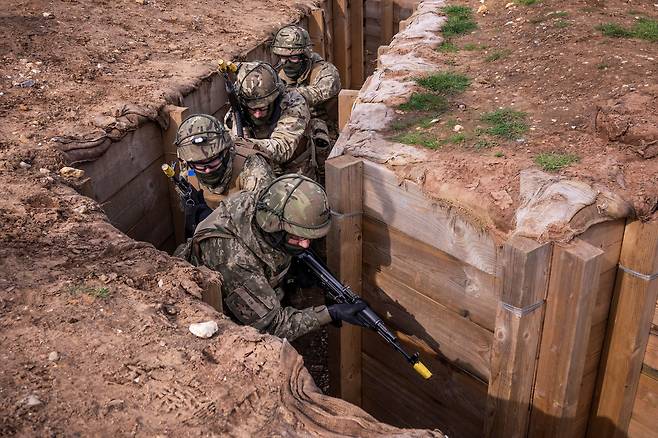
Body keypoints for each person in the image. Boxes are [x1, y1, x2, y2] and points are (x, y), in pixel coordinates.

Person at [178, 174, 367, 341]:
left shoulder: (267, 202)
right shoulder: (234, 260)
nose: (305, 245)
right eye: (297, 237)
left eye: (308, 237)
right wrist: (331, 314)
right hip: (212, 318)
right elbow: (272, 326)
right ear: (273, 226)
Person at [227, 62, 318, 179]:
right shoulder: (240, 107)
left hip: (295, 170)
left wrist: (246, 143)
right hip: (261, 169)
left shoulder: (294, 104)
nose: (258, 114)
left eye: (263, 108)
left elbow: (282, 149)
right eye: (252, 109)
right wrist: (236, 134)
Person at [271, 25, 341, 177]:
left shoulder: (325, 71)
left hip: (326, 134)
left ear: (305, 55)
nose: (286, 63)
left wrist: (284, 94)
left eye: (293, 58)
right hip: (292, 130)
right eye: (282, 57)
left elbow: (317, 93)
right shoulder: (277, 74)